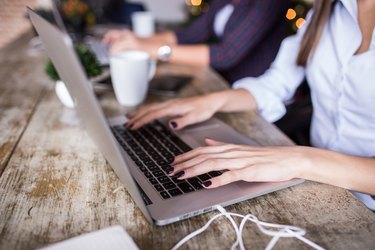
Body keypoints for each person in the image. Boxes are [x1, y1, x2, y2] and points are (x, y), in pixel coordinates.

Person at [125, 0, 375, 211]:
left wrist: (302, 158)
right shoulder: (329, 11)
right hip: (315, 187)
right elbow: (276, 83)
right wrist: (212, 101)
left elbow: (227, 53)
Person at [102, 0, 291, 83]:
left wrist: (152, 50)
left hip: (254, 96)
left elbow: (226, 54)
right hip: (221, 82)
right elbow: (188, 34)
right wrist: (136, 39)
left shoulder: (268, 2)